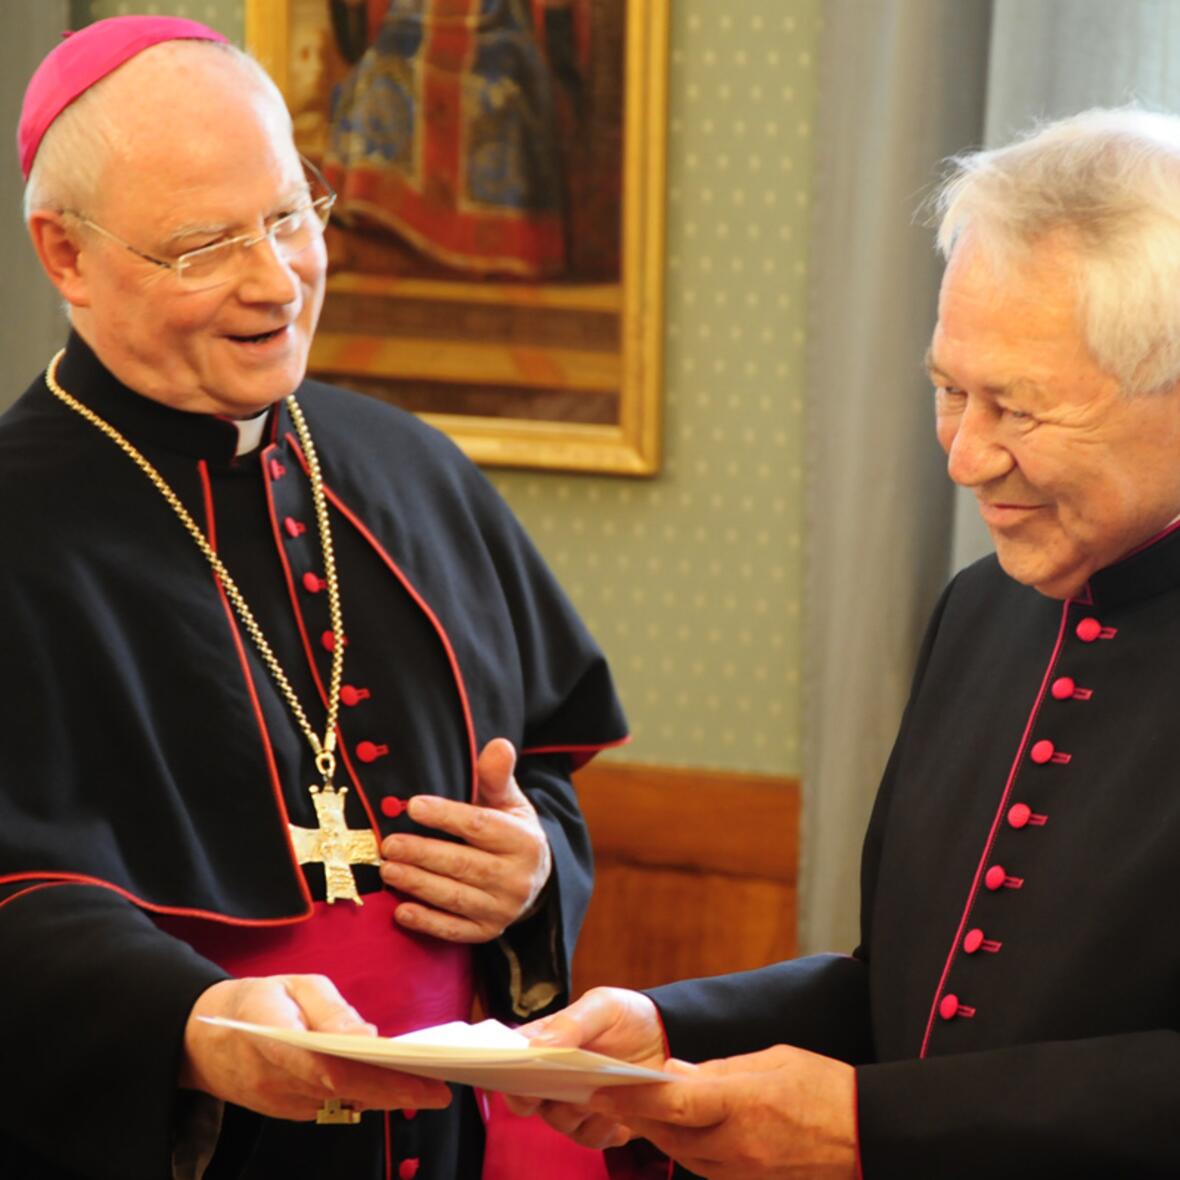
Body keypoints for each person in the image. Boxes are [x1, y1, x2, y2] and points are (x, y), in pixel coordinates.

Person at [2, 15, 627, 1180]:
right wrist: (182, 1022)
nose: (275, 279)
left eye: (291, 215)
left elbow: (545, 766)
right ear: (66, 255)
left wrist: (533, 869)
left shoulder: (414, 470)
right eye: (203, 246)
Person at [507, 106, 1180, 1178]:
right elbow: (910, 995)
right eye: (949, 391)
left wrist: (875, 1126)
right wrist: (673, 1032)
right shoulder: (985, 608)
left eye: (1016, 409)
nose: (964, 458)